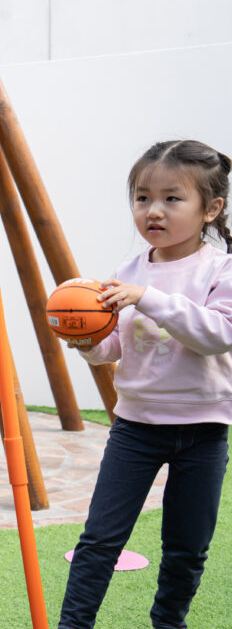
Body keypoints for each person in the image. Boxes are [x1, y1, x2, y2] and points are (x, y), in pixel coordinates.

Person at [59, 140, 232, 629]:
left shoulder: (220, 270)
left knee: (187, 546)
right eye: (142, 197)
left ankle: (168, 623)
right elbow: (116, 346)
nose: (153, 209)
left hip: (203, 432)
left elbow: (218, 336)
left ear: (210, 209)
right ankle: (74, 625)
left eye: (172, 198)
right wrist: (85, 338)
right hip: (134, 428)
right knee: (99, 540)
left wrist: (148, 297)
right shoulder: (127, 273)